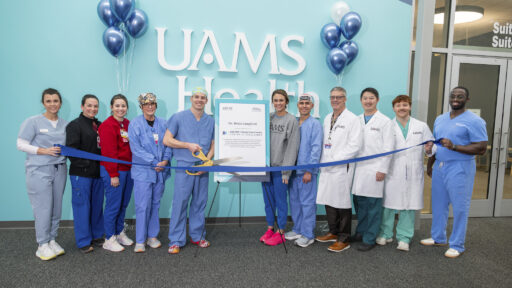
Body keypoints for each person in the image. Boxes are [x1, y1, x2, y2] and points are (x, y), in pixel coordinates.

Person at [421, 86, 487, 258]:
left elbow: (481, 148)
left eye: (460, 96)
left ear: (467, 100)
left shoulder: (474, 121)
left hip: (460, 167)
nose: (456, 98)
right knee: (438, 204)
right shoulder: (440, 119)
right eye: (453, 96)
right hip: (440, 166)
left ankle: (457, 244)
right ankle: (438, 237)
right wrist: (430, 164)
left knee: (459, 207)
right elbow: (436, 143)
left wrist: (455, 146)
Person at [376, 95, 433, 252]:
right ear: (394, 108)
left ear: (410, 107)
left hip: (413, 172)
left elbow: (431, 146)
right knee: (387, 205)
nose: (402, 108)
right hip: (392, 171)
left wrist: (429, 149)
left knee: (408, 205)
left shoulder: (421, 126)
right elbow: (381, 148)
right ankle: (385, 233)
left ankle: (404, 237)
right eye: (398, 105)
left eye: (405, 105)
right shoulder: (388, 125)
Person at [17, 88, 68, 260]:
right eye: (48, 101)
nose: (52, 104)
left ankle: (52, 239)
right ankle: (42, 244)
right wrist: (43, 151)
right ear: (43, 103)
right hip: (39, 170)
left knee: (56, 207)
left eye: (55, 101)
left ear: (60, 103)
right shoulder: (33, 122)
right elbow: (20, 144)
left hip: (59, 169)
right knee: (43, 207)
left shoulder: (64, 124)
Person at [163, 87, 214, 254]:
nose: (199, 100)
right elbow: (167, 140)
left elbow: (214, 143)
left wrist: (208, 161)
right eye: (196, 97)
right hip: (184, 167)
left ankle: (197, 236)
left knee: (200, 203)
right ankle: (176, 240)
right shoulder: (179, 117)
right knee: (180, 203)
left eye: (203, 97)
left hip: (202, 168)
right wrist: (187, 145)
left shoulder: (210, 121)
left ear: (206, 101)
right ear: (191, 99)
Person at [315, 87, 363, 252]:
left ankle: (344, 238)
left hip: (343, 166)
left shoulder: (353, 119)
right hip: (327, 165)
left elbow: (355, 146)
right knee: (329, 199)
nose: (335, 100)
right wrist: (324, 162)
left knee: (342, 201)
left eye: (338, 97)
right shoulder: (328, 117)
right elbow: (325, 142)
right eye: (332, 97)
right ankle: (333, 232)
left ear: (345, 99)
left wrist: (335, 160)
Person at [351, 87, 395, 252]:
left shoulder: (385, 121)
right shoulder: (356, 120)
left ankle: (370, 238)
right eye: (365, 98)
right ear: (361, 101)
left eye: (371, 98)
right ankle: (360, 232)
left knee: (373, 206)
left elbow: (389, 147)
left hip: (375, 169)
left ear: (377, 100)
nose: (368, 101)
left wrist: (383, 169)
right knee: (360, 204)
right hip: (359, 170)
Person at [129, 93, 172, 253]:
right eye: (146, 104)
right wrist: (154, 161)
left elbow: (168, 144)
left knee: (155, 204)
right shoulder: (135, 124)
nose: (150, 106)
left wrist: (165, 160)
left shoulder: (163, 123)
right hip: (143, 171)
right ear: (141, 106)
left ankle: (152, 236)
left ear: (156, 105)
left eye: (152, 103)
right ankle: (140, 240)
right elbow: (136, 148)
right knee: (142, 205)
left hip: (160, 171)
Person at [260, 89, 300, 246]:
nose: (278, 103)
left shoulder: (291, 120)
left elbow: (292, 147)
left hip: (280, 170)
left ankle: (281, 230)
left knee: (281, 201)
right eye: (275, 100)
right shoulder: (268, 118)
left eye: (281, 100)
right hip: (265, 169)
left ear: (286, 102)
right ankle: (270, 228)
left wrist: (286, 172)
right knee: (268, 201)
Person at [66, 94, 104, 253]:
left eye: (95, 106)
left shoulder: (99, 125)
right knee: (82, 206)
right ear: (82, 107)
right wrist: (88, 164)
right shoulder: (74, 125)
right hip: (81, 173)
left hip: (98, 173)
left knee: (96, 206)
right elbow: (71, 151)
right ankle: (83, 241)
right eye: (89, 105)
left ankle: (96, 235)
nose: (92, 109)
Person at [284, 93, 323, 248]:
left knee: (307, 203)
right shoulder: (294, 122)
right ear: (298, 105)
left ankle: (308, 234)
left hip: (306, 172)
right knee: (294, 202)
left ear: (312, 106)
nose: (304, 105)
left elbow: (316, 149)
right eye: (302, 103)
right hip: (292, 170)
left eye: (307, 103)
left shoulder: (315, 124)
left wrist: (309, 170)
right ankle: (298, 229)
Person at [99, 94, 134, 252]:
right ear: (112, 107)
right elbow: (109, 153)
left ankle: (119, 232)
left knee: (123, 204)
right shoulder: (107, 125)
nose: (121, 108)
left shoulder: (127, 124)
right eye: (117, 105)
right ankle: (109, 238)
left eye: (123, 106)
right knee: (113, 205)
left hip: (128, 170)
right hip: (113, 170)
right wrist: (113, 174)